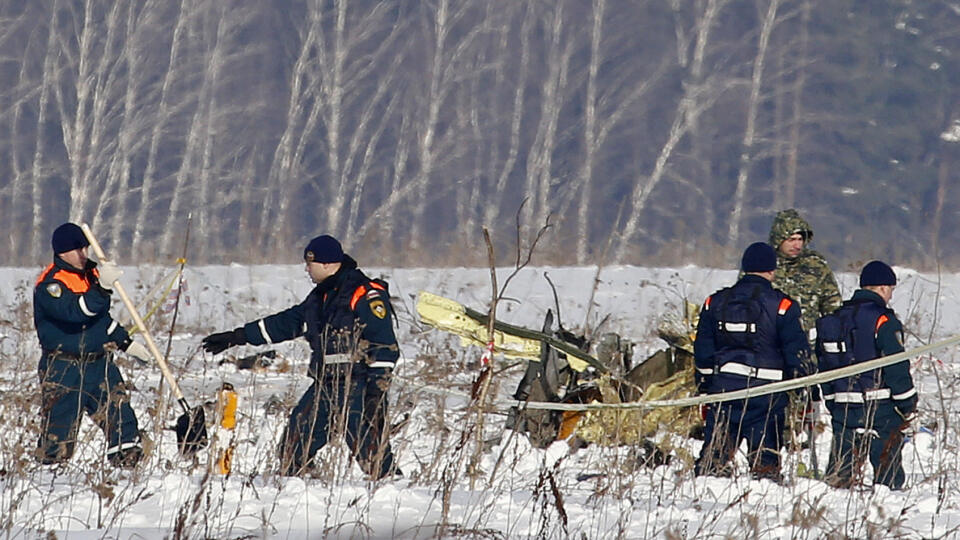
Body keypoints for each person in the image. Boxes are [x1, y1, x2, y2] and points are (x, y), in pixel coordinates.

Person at [201, 235, 401, 479]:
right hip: (325, 385)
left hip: (358, 385)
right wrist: (238, 336)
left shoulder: (364, 294)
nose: (306, 269)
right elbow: (286, 323)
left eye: (310, 263)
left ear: (328, 264)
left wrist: (376, 390)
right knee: (294, 445)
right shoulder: (320, 298)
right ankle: (295, 490)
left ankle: (395, 492)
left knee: (371, 452)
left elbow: (384, 343)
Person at [33, 222, 150, 467]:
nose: (83, 254)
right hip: (64, 368)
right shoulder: (50, 285)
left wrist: (126, 343)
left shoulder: (90, 275)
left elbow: (100, 321)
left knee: (121, 418)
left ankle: (127, 470)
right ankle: (50, 482)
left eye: (85, 248)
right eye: (77, 250)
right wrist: (102, 288)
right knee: (59, 432)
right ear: (62, 251)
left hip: (99, 365)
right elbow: (77, 312)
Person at [693, 242, 811, 481]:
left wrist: (706, 384)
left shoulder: (714, 303)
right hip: (767, 394)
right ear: (772, 270)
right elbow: (796, 353)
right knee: (765, 464)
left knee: (713, 462)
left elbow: (703, 350)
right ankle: (762, 498)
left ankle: (705, 499)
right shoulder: (783, 306)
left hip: (724, 391)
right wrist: (803, 386)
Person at [817, 261, 916, 490]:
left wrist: (831, 400)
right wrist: (907, 402)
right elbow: (896, 365)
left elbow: (824, 367)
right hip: (879, 409)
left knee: (838, 482)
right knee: (888, 481)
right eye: (890, 290)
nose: (890, 296)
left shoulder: (833, 320)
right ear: (882, 288)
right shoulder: (883, 320)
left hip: (843, 408)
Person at [768, 208, 841, 451]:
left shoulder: (816, 266)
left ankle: (799, 442)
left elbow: (832, 305)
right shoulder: (764, 265)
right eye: (791, 239)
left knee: (802, 397)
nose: (796, 244)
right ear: (779, 239)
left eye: (800, 239)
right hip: (769, 346)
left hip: (805, 347)